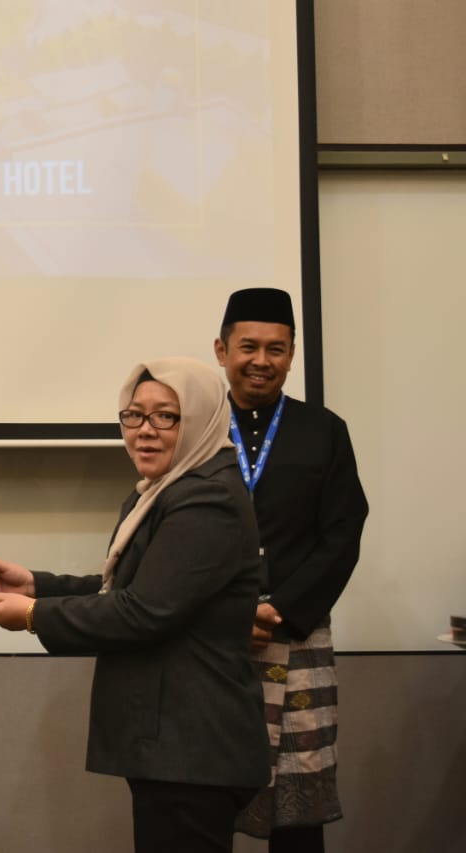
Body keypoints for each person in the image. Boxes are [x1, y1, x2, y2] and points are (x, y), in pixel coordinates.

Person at [0, 357, 270, 853]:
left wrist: (31, 616)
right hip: (174, 743)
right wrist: (36, 587)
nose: (144, 431)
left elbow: (144, 610)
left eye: (165, 416)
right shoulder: (165, 490)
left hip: (192, 743)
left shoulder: (206, 498)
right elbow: (130, 589)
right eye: (133, 415)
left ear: (201, 418)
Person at [214, 288, 368, 853]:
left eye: (276, 349)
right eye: (248, 347)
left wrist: (280, 609)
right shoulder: (195, 427)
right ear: (221, 350)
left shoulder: (324, 429)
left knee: (299, 816)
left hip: (295, 630)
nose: (262, 360)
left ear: (292, 354)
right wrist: (229, 612)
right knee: (205, 794)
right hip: (210, 635)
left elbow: (344, 531)